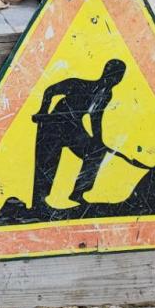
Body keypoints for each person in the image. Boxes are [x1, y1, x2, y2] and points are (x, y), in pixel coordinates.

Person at [30, 59, 127, 207]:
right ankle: (40, 202)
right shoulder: (80, 84)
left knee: (96, 152)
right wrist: (43, 111)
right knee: (47, 163)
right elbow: (50, 90)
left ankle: (78, 193)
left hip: (73, 129)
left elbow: (95, 117)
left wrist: (98, 140)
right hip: (54, 125)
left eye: (119, 76)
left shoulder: (107, 95)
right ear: (105, 73)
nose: (115, 79)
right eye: (114, 75)